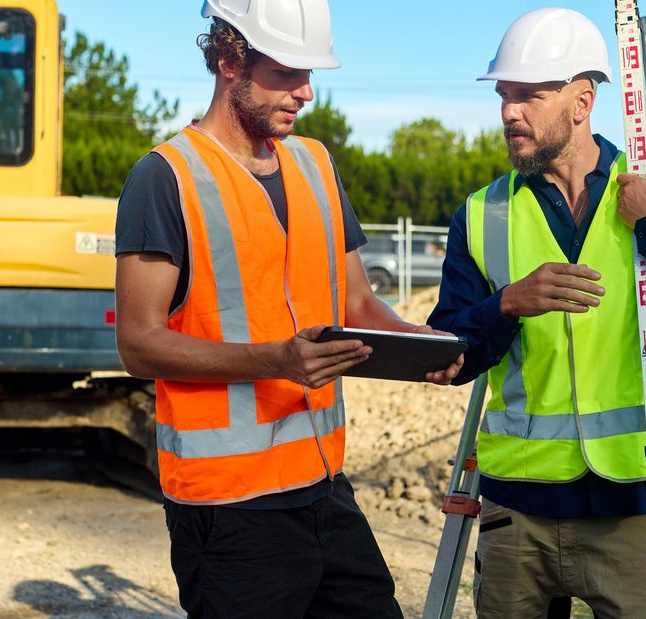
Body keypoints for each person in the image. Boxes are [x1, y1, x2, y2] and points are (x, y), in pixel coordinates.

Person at [113, 1, 461, 616]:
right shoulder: (165, 177)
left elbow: (356, 300)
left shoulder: (315, 162)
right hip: (227, 509)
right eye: (287, 72)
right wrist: (275, 358)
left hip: (325, 488)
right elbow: (138, 344)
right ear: (228, 59)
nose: (306, 92)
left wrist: (417, 346)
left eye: (310, 73)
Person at [427, 7, 646, 618]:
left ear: (581, 102)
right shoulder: (482, 213)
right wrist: (506, 304)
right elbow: (452, 354)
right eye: (503, 96)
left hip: (635, 504)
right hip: (516, 512)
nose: (508, 113)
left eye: (528, 96)